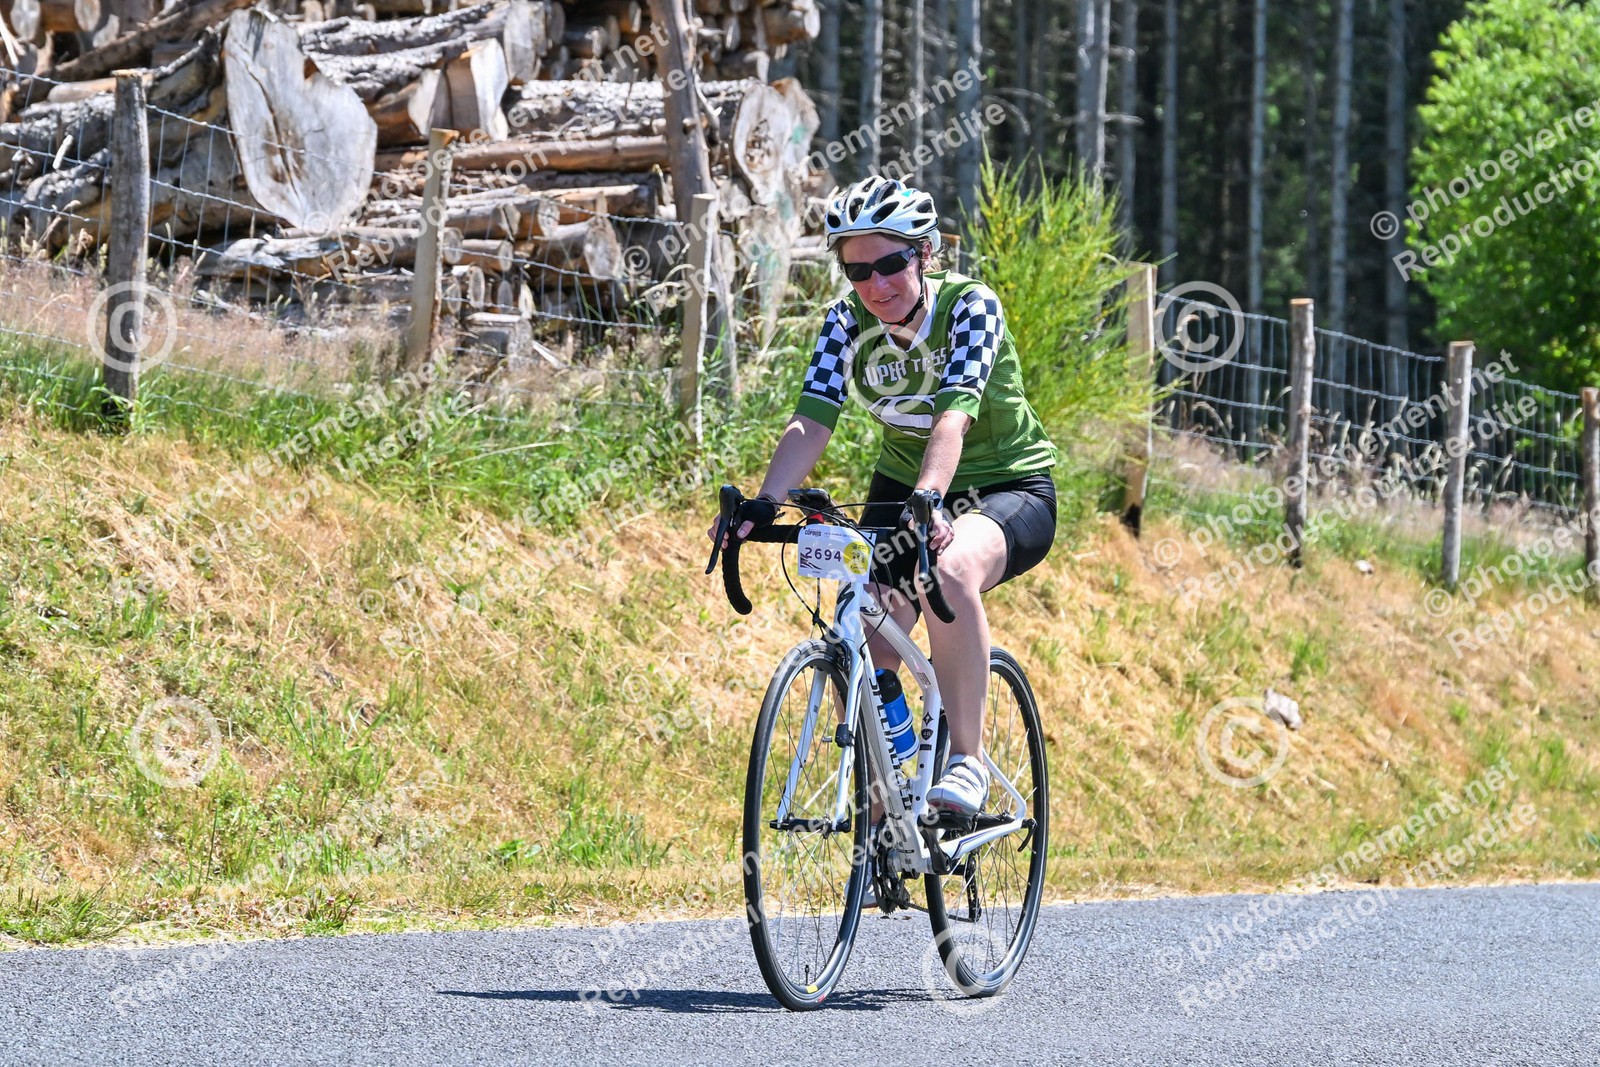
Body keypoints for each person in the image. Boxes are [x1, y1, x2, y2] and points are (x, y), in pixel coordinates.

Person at [707, 174, 1059, 817]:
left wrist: (931, 497)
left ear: (924, 254)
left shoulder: (970, 307)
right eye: (858, 271)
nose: (876, 286)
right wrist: (764, 502)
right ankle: (884, 818)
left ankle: (967, 762)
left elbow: (952, 419)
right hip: (905, 486)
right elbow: (812, 420)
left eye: (891, 264)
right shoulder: (846, 323)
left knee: (949, 571)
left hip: (1005, 484)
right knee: (864, 626)